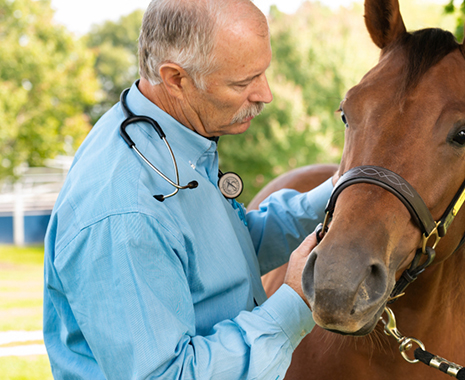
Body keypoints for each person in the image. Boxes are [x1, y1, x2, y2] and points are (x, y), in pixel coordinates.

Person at [43, 0, 336, 378]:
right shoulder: (124, 212)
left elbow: (224, 255)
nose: (266, 94)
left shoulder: (170, 137)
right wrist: (293, 303)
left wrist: (337, 190)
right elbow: (167, 374)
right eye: (243, 82)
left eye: (263, 73)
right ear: (176, 78)